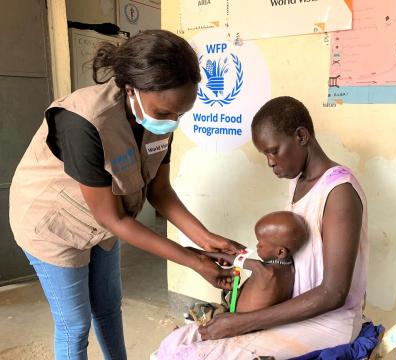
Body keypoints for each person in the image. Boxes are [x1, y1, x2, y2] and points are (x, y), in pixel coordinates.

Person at [9, 30, 241, 360]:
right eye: (165, 113)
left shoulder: (162, 115)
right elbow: (112, 218)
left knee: (108, 307)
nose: (173, 121)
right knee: (74, 325)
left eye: (181, 114)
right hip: (52, 224)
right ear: (131, 88)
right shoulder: (83, 121)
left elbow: (159, 191)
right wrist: (192, 261)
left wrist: (205, 239)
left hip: (104, 220)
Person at [156, 96, 368, 359]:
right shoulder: (300, 182)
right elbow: (294, 254)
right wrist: (239, 260)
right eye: (265, 153)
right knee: (177, 342)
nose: (269, 162)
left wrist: (243, 322)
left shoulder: (339, 193)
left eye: (273, 150)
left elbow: (333, 293)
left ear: (301, 136)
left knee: (195, 355)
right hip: (298, 308)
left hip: (328, 322)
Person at [186, 210, 308, 323]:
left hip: (233, 318)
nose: (257, 245)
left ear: (280, 252)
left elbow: (230, 259)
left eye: (261, 244)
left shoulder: (263, 270)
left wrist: (201, 253)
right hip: (249, 319)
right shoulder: (290, 269)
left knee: (196, 309)